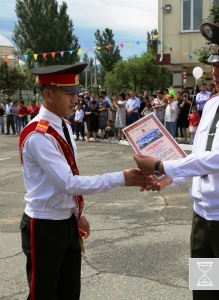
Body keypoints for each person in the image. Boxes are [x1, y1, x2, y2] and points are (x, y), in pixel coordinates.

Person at [134, 23, 219, 300]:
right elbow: (201, 156)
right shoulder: (211, 104)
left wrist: (162, 166)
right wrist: (173, 177)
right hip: (202, 220)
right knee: (204, 294)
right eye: (213, 65)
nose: (215, 72)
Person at [20, 63, 151, 299]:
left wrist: (77, 214)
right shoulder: (39, 135)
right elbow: (68, 183)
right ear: (48, 94)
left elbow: (70, 178)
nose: (74, 99)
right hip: (44, 225)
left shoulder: (64, 126)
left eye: (75, 93)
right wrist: (120, 178)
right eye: (68, 93)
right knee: (43, 294)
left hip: (66, 221)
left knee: (69, 292)